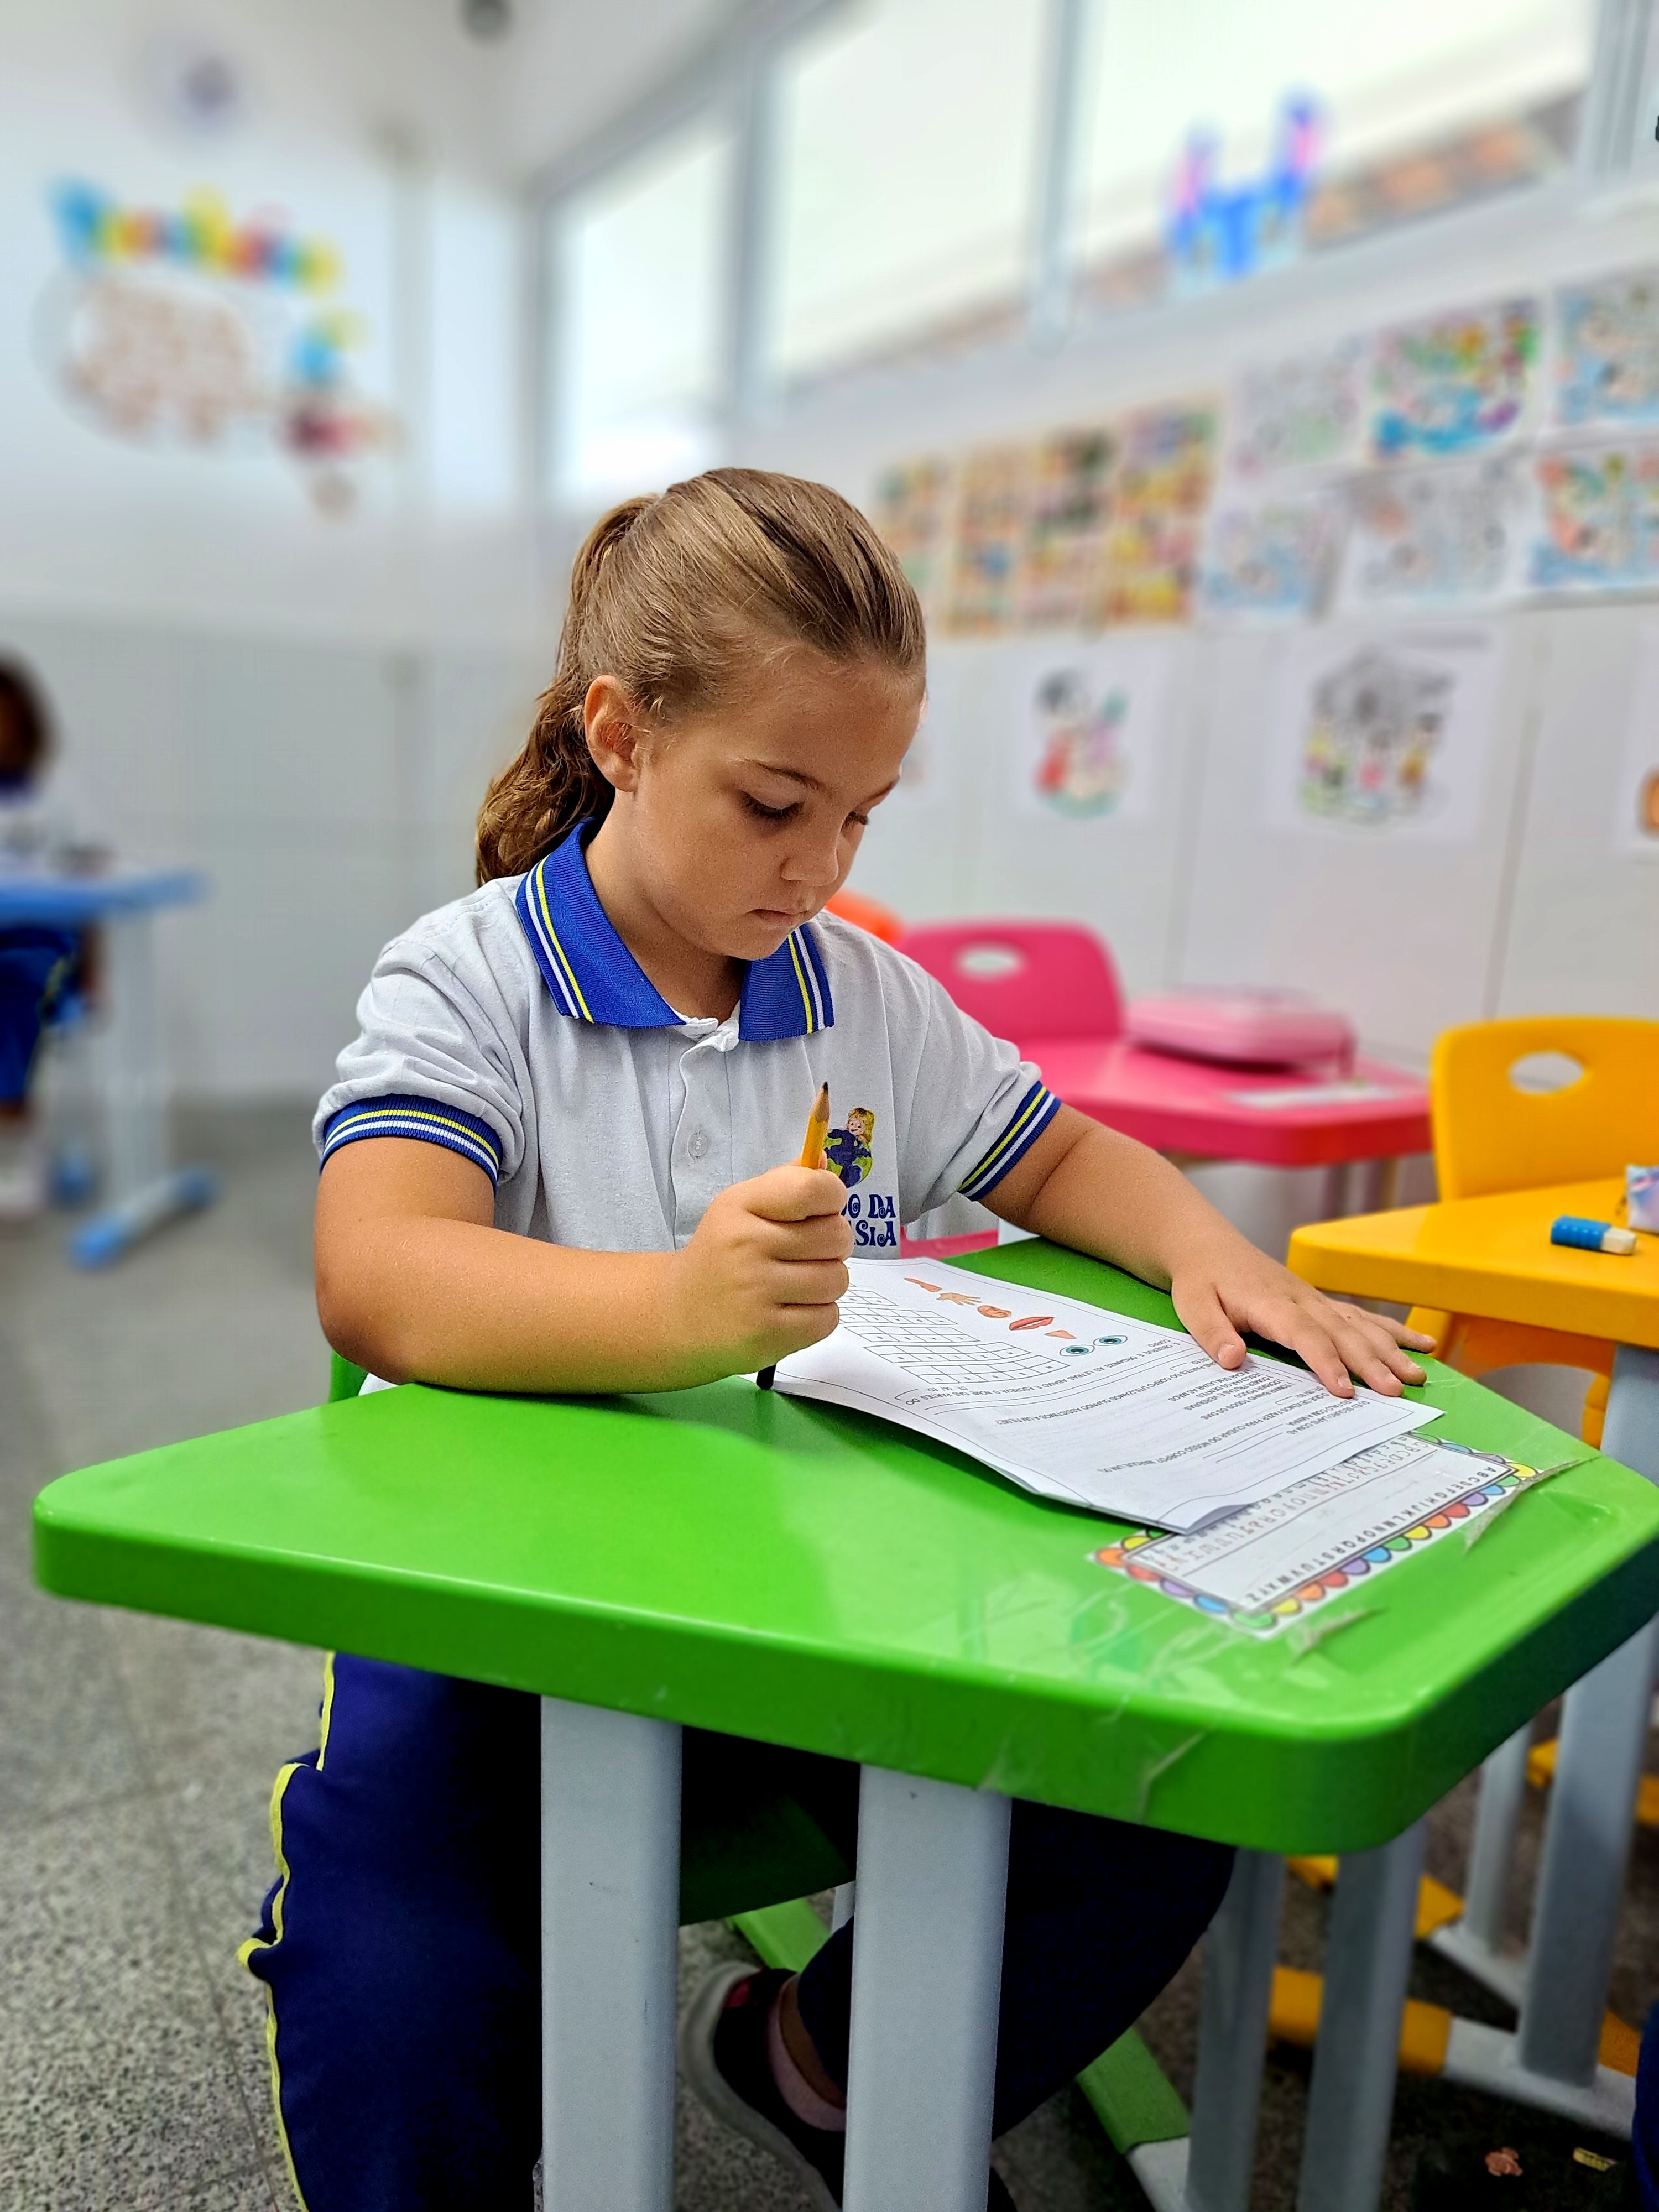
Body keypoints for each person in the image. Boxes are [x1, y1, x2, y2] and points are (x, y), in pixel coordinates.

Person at [246, 468, 1434, 2212]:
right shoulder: (470, 977)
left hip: (808, 1614)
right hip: (501, 1626)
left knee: (1158, 1803)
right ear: (622, 733)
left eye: (861, 818)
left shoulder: (856, 993)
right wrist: (676, 1308)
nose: (815, 868)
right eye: (773, 802)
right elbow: (380, 1276)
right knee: (401, 1987)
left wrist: (1204, 1248)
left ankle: (809, 2067)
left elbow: (1061, 1149)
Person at [0, 659, 81, 1219]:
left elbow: (86, 887)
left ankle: (20, 1146)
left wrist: (94, 973)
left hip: (39, 946)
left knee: (9, 992)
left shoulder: (52, 800)